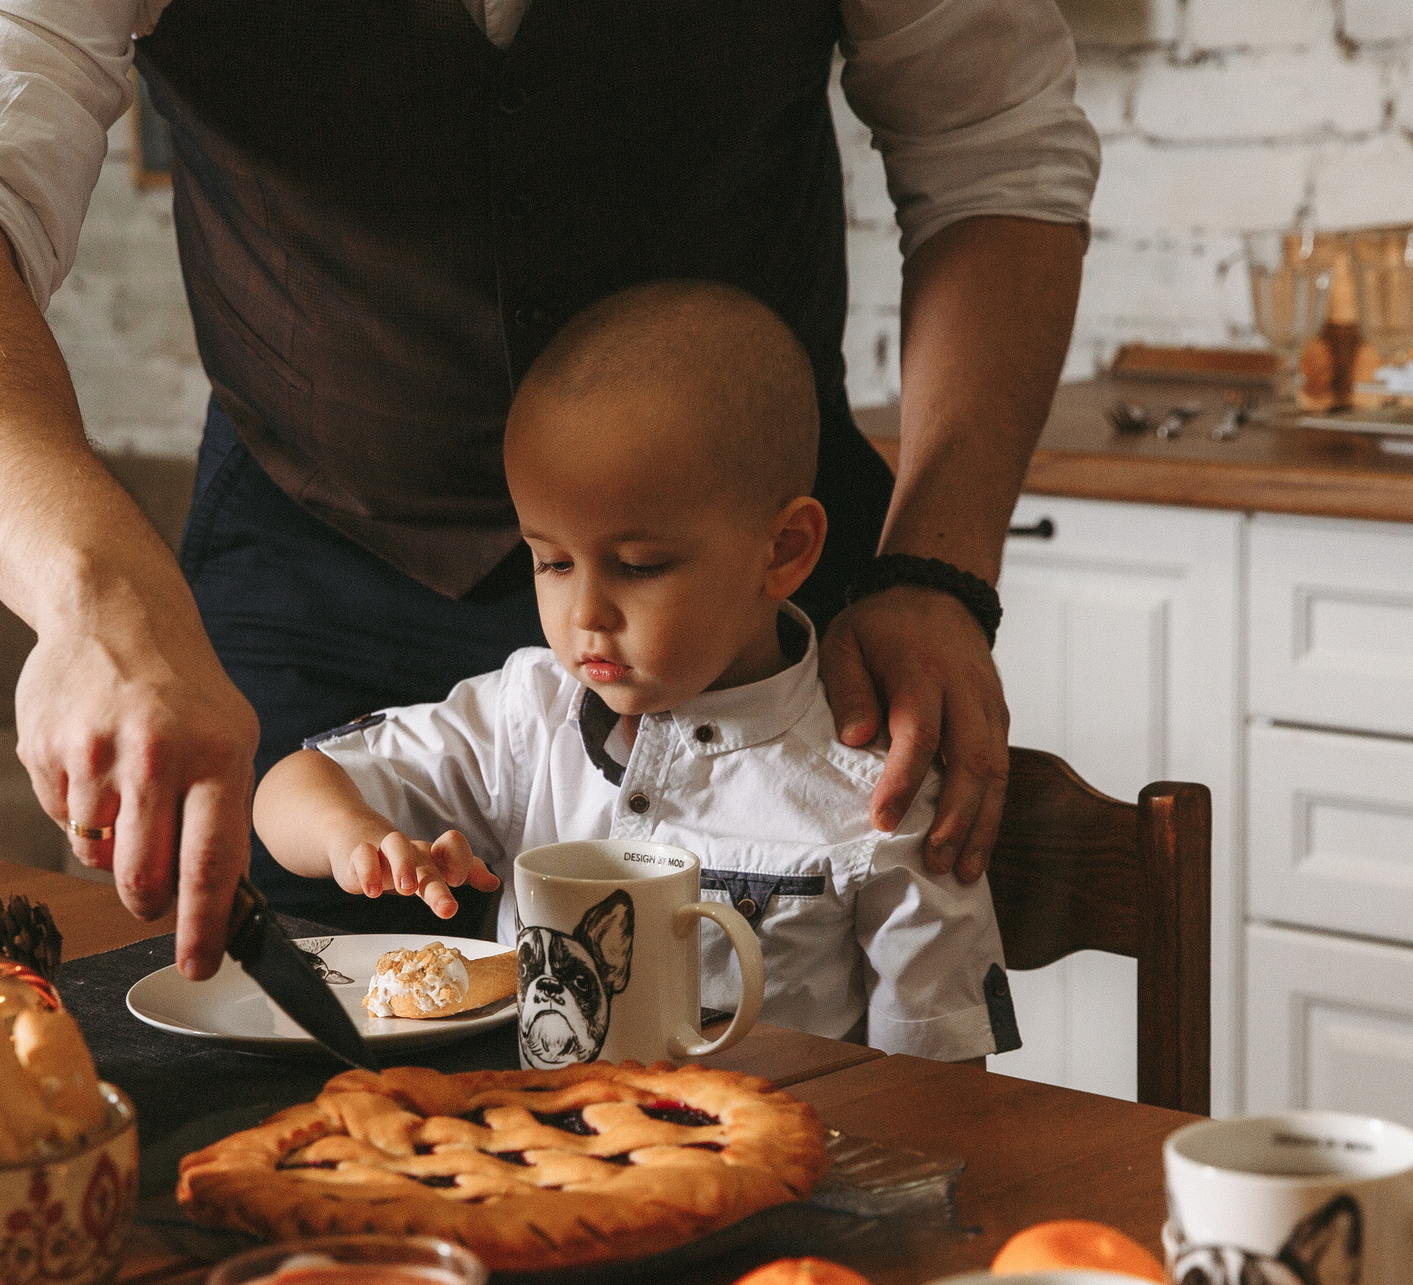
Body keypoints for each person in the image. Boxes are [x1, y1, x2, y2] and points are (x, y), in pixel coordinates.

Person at [0, 0, 1098, 976]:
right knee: (284, 1115)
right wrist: (90, 596)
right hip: (310, 555)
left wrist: (939, 568)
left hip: (739, 585)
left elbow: (994, 151)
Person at [253, 282, 1015, 1063]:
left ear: (784, 550)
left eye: (639, 566)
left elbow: (941, 1078)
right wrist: (359, 840)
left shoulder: (877, 780)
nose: (586, 612)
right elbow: (290, 786)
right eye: (550, 561)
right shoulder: (529, 713)